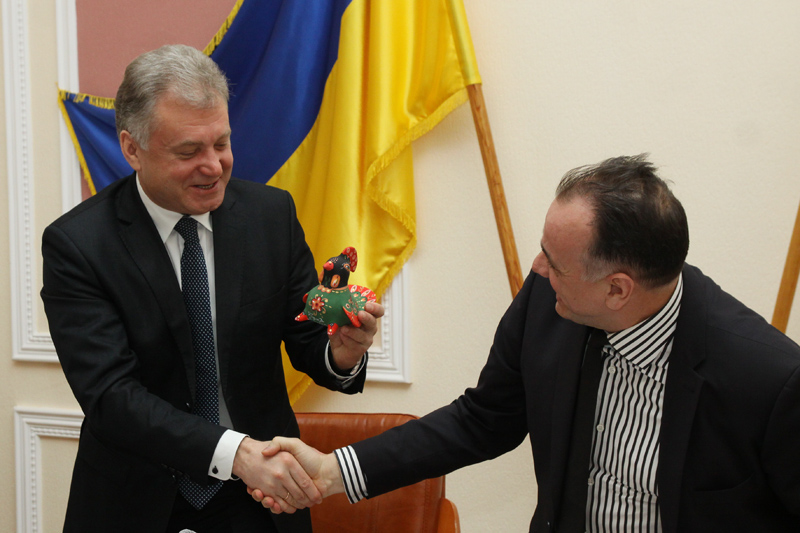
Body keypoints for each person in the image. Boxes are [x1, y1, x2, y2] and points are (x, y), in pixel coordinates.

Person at [252, 155, 800, 532]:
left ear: (617, 290)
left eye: (554, 263)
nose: (536, 269)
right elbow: (482, 420)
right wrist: (332, 472)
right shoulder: (549, 301)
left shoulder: (770, 381)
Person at [41, 44, 383, 533]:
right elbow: (111, 397)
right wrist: (235, 453)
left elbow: (309, 339)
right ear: (132, 149)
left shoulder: (271, 216)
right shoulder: (78, 245)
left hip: (262, 502)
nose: (214, 165)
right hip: (135, 501)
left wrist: (343, 354)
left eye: (221, 143)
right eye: (188, 151)